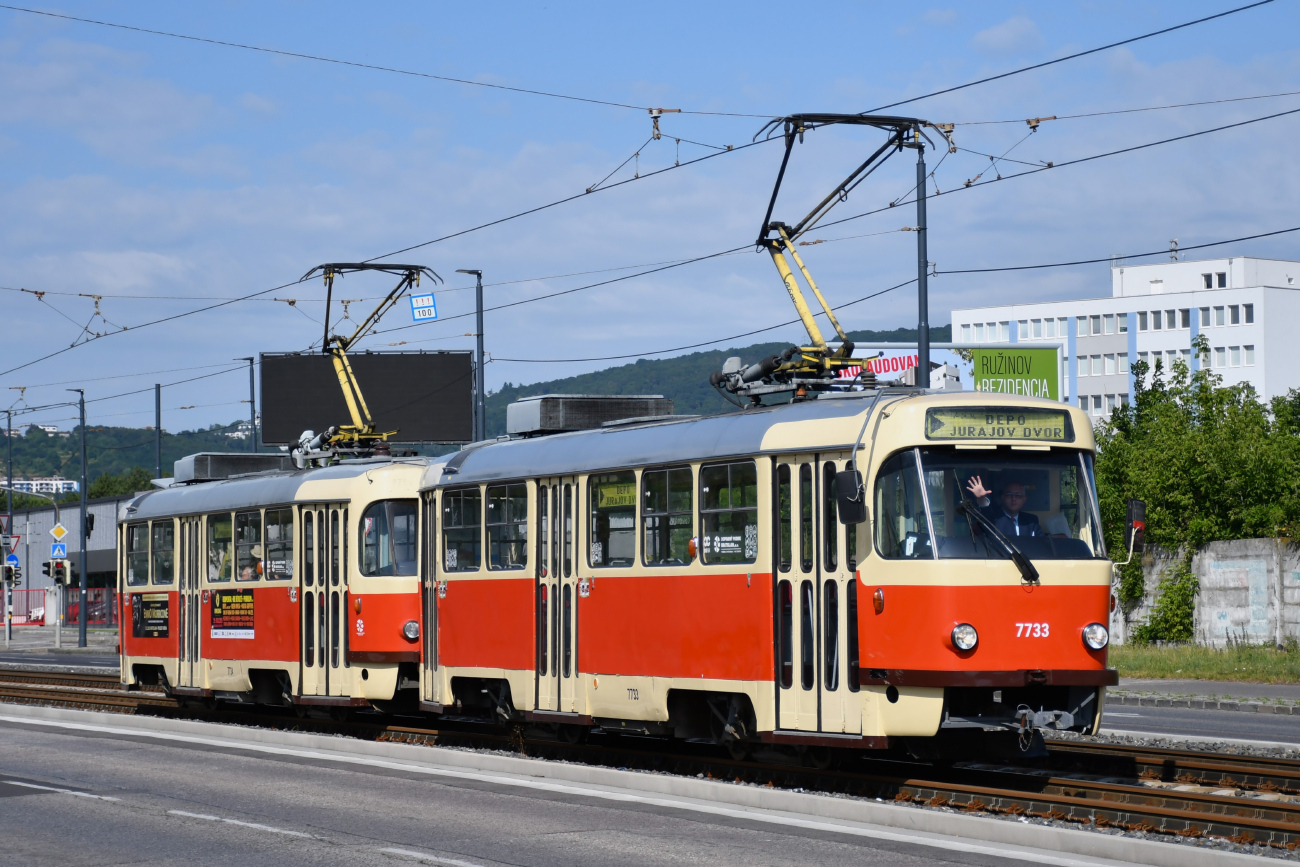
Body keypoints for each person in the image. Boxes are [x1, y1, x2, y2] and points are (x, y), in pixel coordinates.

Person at [964, 477, 1040, 538]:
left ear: (1024, 499)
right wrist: (981, 498)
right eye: (1009, 494)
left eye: (1018, 495)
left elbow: (1041, 543)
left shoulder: (1031, 521)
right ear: (1002, 497)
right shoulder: (992, 518)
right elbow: (984, 513)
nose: (1013, 499)